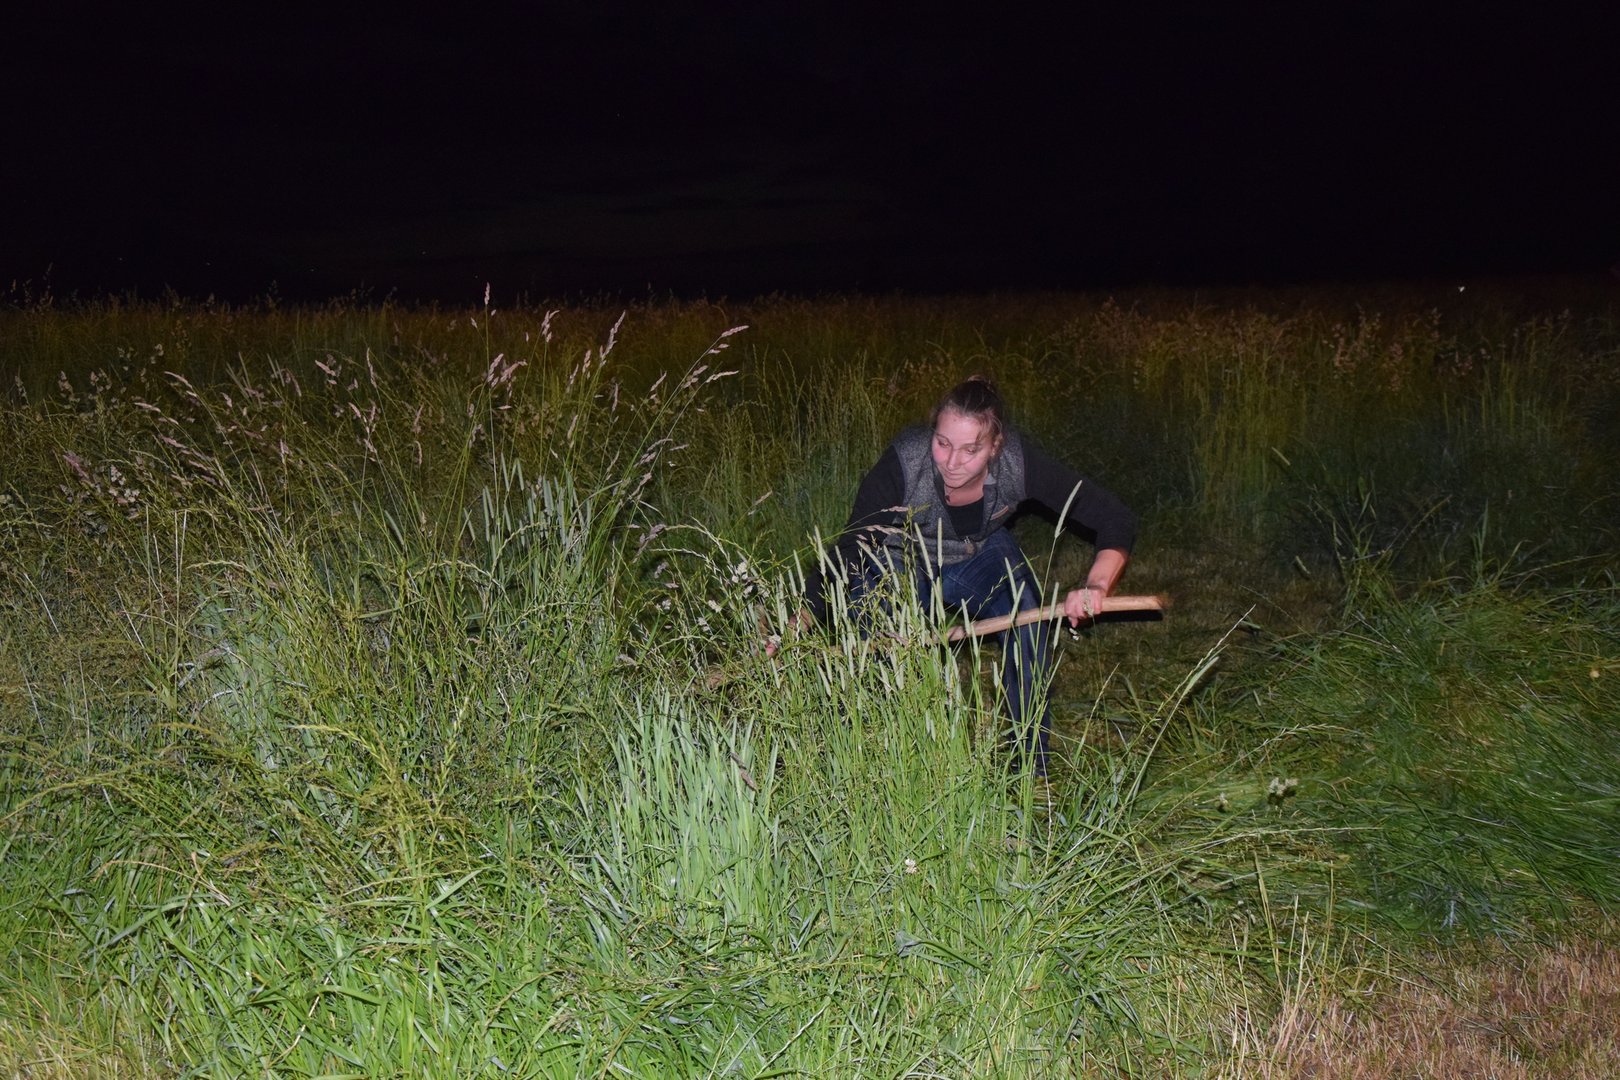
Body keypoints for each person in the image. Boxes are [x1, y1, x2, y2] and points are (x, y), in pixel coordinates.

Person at [785, 375, 1136, 776]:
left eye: (971, 450)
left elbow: (1115, 518)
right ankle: (883, 763)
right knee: (880, 642)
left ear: (995, 446)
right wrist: (800, 617)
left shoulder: (1019, 462)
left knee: (1027, 614)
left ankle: (1029, 762)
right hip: (898, 558)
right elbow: (852, 548)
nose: (952, 462)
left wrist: (1095, 585)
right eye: (943, 443)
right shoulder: (905, 460)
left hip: (977, 553)